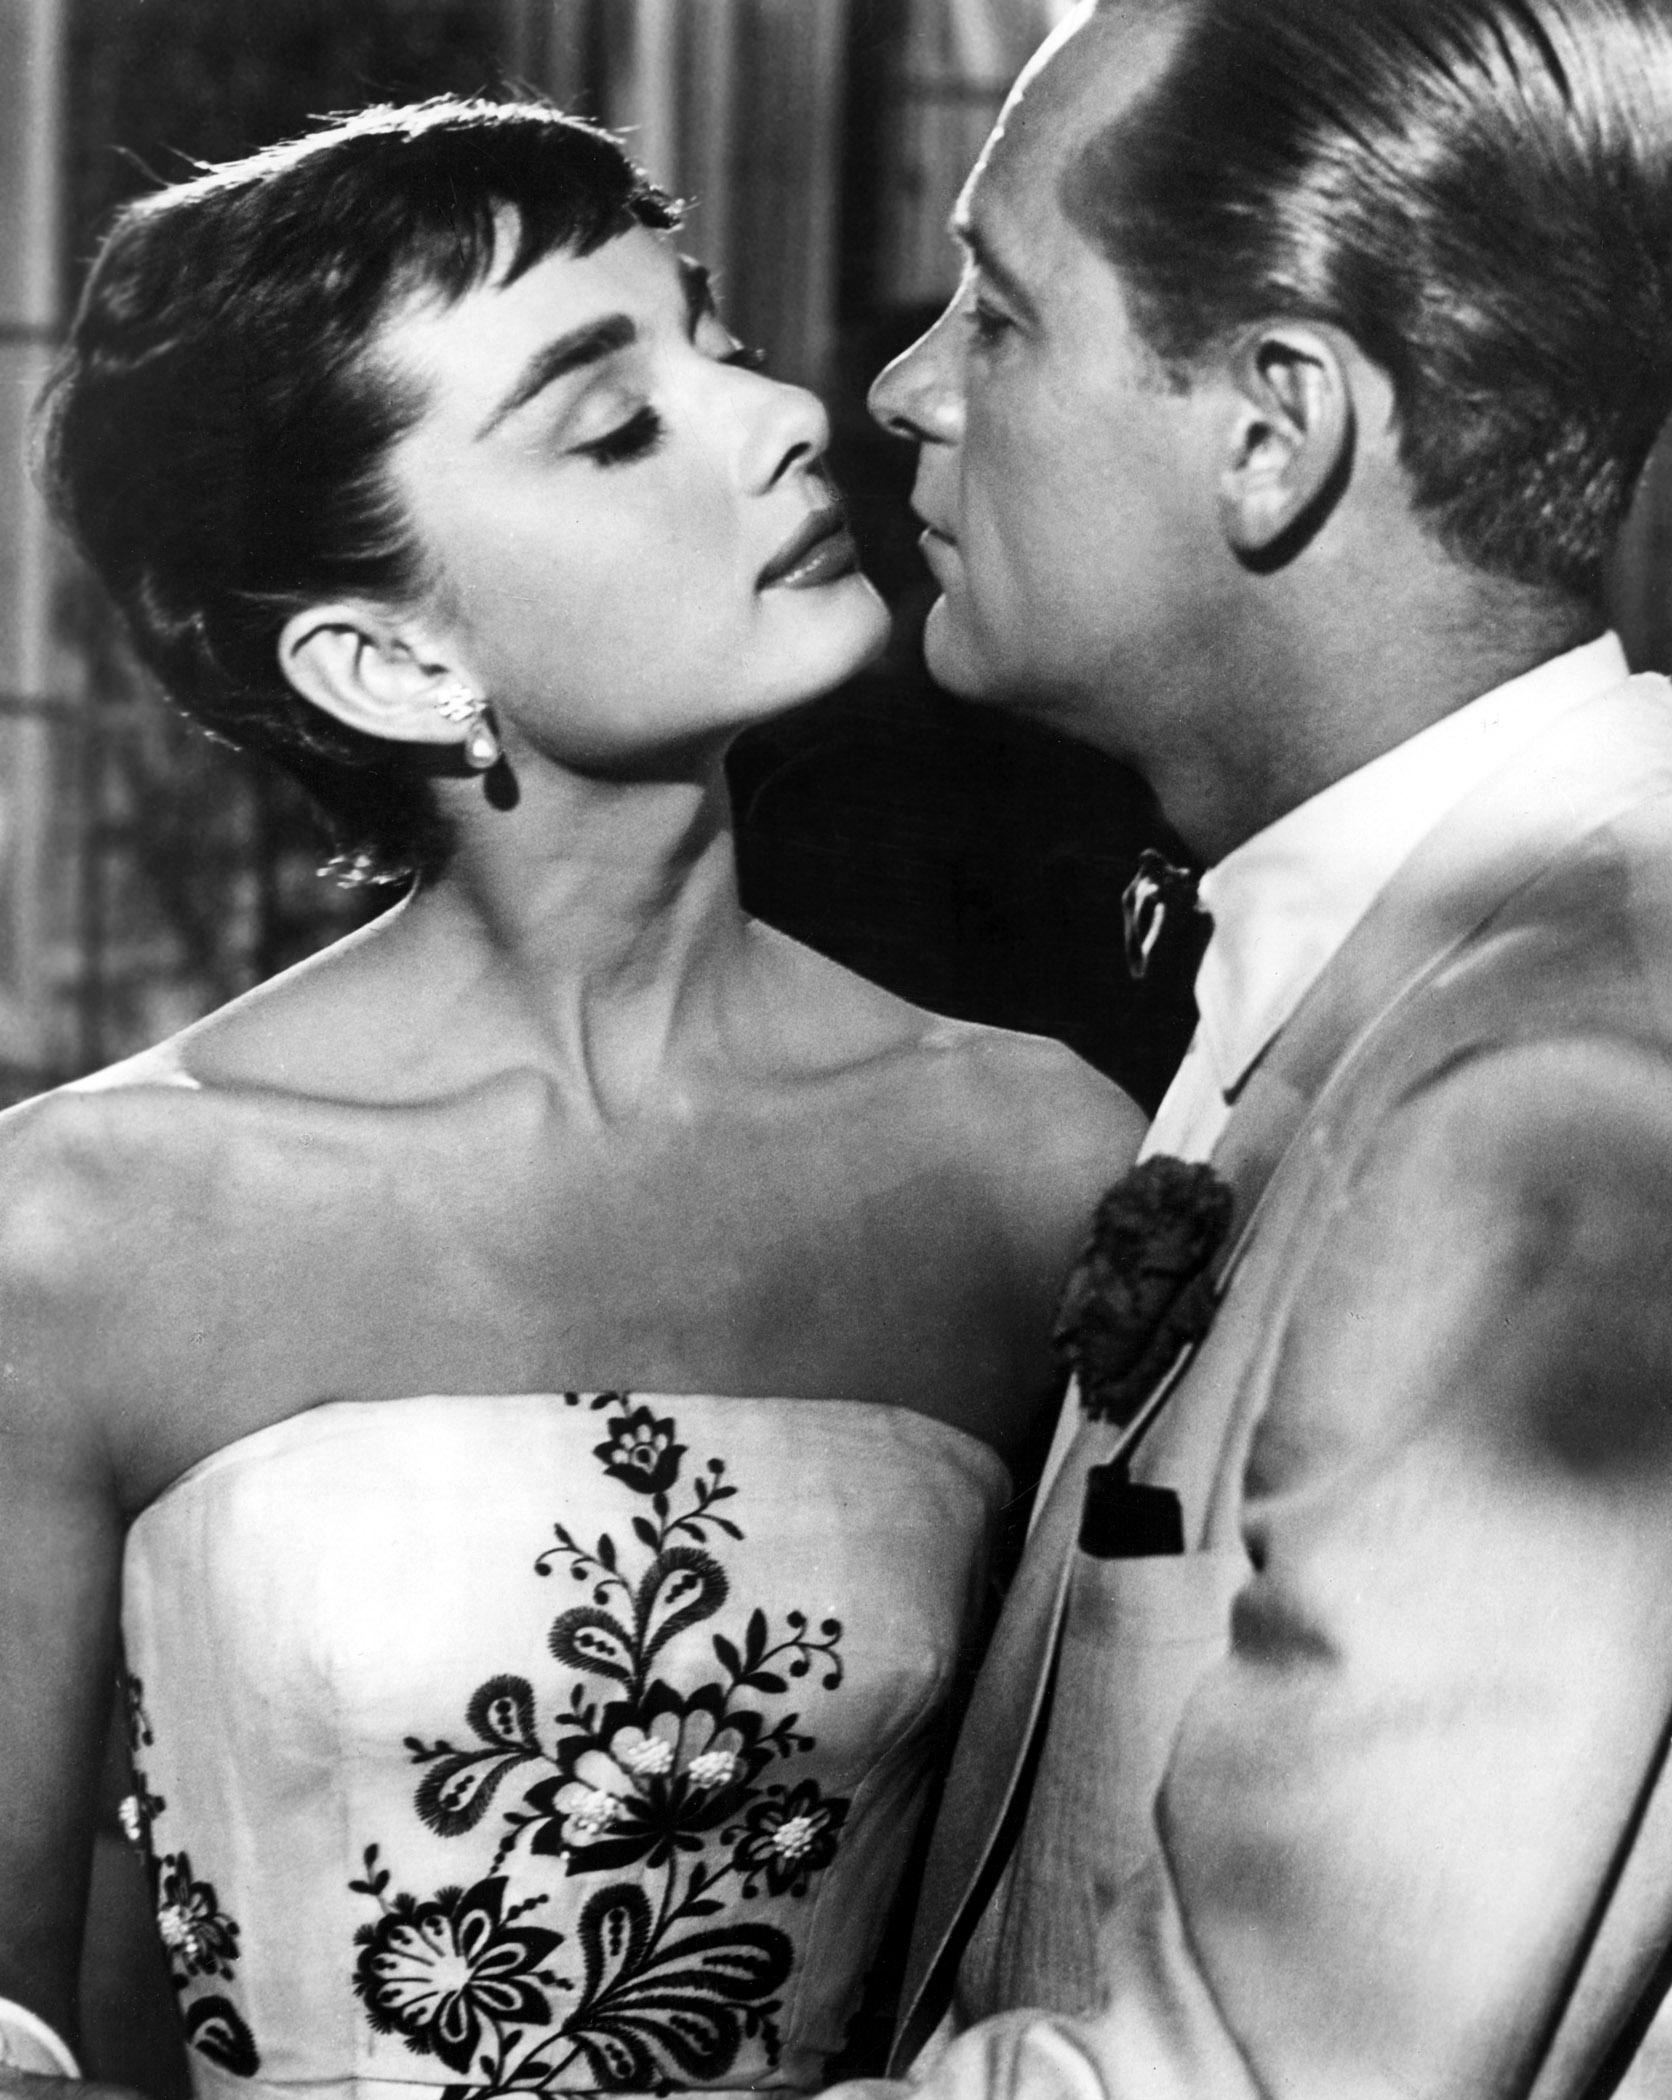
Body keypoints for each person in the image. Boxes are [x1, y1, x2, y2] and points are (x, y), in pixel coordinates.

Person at [3, 97, 1143, 2095]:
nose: (781, 417)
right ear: (385, 662)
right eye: (613, 426)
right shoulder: (77, 1227)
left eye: (716, 339)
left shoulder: (1031, 1163)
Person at [848, 0, 1672, 2094]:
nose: (902, 388)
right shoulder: (1437, 943)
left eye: (999, 315)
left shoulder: (1548, 1092)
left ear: (1271, 431)